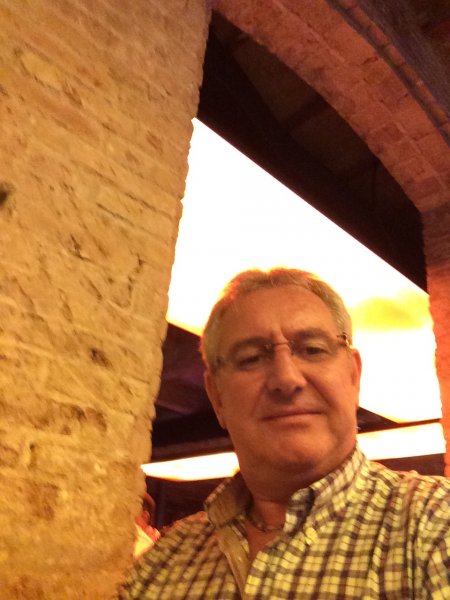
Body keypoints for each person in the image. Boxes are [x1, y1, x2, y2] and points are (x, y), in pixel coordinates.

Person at [120, 268, 450, 599]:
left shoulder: (436, 523)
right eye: (251, 358)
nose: (287, 378)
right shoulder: (166, 558)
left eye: (313, 350)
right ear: (217, 396)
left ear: (353, 376)